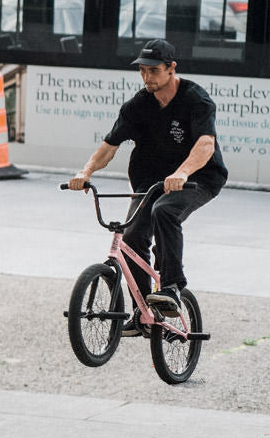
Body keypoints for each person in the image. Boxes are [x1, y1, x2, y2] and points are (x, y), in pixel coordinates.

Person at [68, 39, 227, 316]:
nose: (147, 77)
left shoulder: (195, 99)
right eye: (142, 70)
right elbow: (109, 146)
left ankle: (172, 286)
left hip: (197, 178)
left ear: (171, 68)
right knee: (131, 240)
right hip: (151, 180)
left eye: (153, 71)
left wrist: (181, 172)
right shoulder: (137, 106)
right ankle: (144, 313)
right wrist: (86, 171)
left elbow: (205, 144)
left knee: (164, 211)